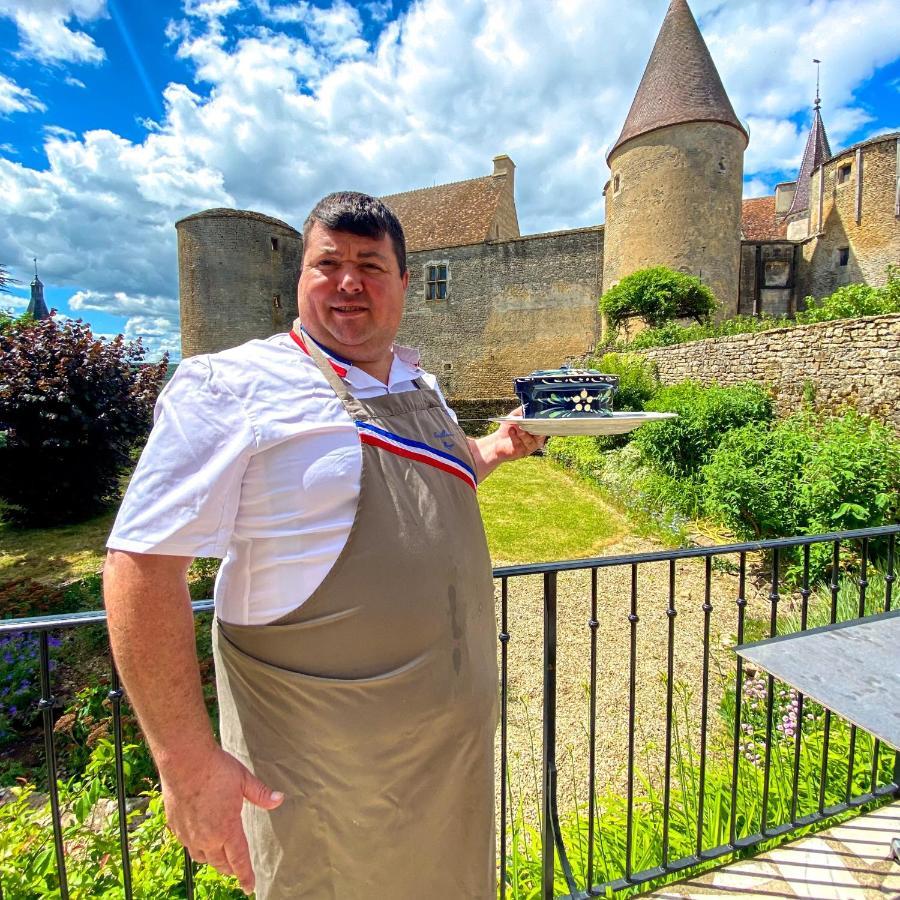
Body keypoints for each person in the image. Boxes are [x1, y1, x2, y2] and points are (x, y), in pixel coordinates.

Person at [104, 191, 543, 899]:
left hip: (451, 762)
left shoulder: (420, 385)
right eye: (327, 263)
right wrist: (186, 764)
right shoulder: (232, 385)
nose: (348, 281)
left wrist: (495, 447)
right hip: (329, 773)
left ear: (405, 283)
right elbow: (139, 567)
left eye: (370, 264)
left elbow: (437, 476)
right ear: (298, 278)